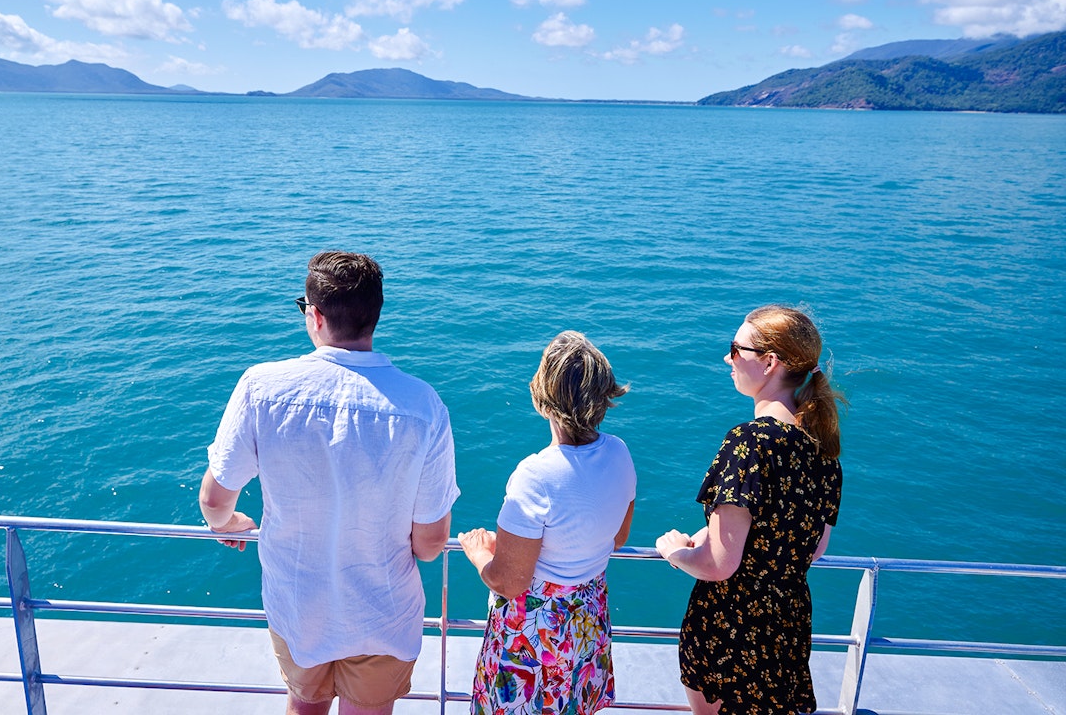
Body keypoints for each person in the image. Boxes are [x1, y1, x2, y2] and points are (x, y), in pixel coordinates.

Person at [198, 251, 460, 715]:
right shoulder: (424, 407)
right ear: (374, 317)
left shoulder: (262, 388)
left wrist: (230, 524)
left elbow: (214, 499)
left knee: (304, 705)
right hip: (384, 611)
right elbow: (431, 542)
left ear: (315, 315)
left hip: (299, 606)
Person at [655, 305, 844, 715]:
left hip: (730, 629)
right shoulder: (824, 450)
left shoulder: (749, 443)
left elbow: (719, 566)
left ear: (770, 363)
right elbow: (810, 548)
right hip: (786, 625)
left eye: (736, 349)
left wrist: (676, 552)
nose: (728, 357)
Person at [459, 331, 636, 715]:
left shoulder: (536, 475)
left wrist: (479, 554)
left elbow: (510, 582)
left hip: (535, 635)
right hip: (585, 623)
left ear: (543, 397)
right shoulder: (620, 454)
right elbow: (618, 537)